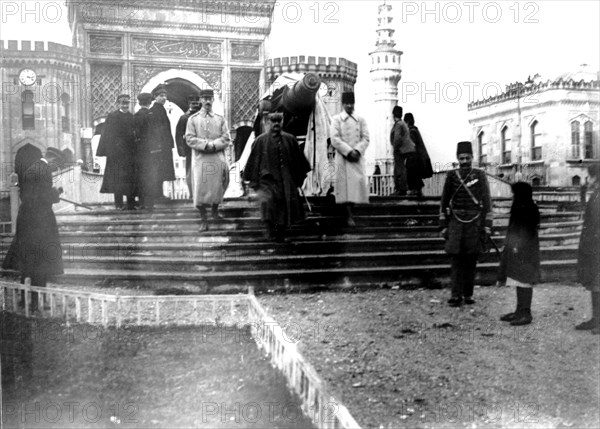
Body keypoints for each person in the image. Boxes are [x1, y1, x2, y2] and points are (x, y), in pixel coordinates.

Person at [3, 145, 64, 311]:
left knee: (28, 263)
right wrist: (56, 193)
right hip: (40, 222)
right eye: (56, 165)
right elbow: (43, 196)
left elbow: (28, 194)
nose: (55, 168)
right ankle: (38, 302)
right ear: (52, 159)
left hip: (27, 221)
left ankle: (24, 300)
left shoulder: (32, 168)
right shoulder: (43, 170)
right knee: (41, 262)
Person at [243, 112, 311, 241]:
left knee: (283, 203)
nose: (276, 124)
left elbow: (298, 161)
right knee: (267, 202)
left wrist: (297, 180)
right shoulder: (260, 140)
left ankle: (281, 231)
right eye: (273, 121)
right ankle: (268, 230)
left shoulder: (290, 139)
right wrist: (254, 182)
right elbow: (254, 161)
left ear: (282, 122)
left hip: (285, 179)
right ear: (268, 122)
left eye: (278, 121)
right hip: (267, 180)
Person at [440, 141, 492, 307]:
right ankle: (455, 295)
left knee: (471, 260)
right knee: (456, 259)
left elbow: (487, 203)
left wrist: (487, 225)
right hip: (455, 223)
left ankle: (468, 294)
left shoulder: (480, 175)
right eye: (461, 158)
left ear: (472, 157)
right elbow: (444, 202)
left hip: (474, 223)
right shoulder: (451, 176)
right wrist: (443, 225)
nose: (464, 161)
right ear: (457, 158)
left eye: (467, 158)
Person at [185, 89, 231, 231]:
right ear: (200, 100)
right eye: (204, 98)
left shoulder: (220, 119)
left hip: (216, 157)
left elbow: (226, 138)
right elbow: (189, 138)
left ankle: (215, 212)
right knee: (200, 188)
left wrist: (214, 144)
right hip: (200, 158)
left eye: (210, 98)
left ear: (213, 100)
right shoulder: (193, 119)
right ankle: (203, 219)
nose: (207, 101)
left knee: (218, 185)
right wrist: (205, 145)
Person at [497, 182, 540, 325]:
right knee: (517, 279)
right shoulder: (523, 205)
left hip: (524, 250)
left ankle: (526, 313)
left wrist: (516, 246)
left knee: (524, 280)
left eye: (515, 193)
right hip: (518, 248)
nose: (512, 195)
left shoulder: (526, 207)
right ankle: (518, 311)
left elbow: (525, 231)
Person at [330, 92, 370, 227]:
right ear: (342, 104)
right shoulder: (336, 119)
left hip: (356, 158)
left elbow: (366, 138)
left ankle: (353, 213)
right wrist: (348, 151)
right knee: (344, 189)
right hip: (343, 158)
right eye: (346, 103)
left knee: (356, 186)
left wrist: (357, 150)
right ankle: (348, 215)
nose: (349, 105)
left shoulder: (361, 120)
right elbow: (334, 139)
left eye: (351, 103)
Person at [96, 94, 137, 210]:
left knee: (130, 179)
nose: (125, 105)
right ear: (118, 103)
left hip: (129, 155)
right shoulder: (112, 117)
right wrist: (109, 150)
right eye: (123, 103)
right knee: (117, 179)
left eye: (127, 103)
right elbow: (107, 135)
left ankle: (130, 204)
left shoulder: (131, 117)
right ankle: (118, 204)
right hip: (116, 155)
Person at [141, 85, 176, 210]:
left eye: (165, 96)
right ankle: (157, 194)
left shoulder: (161, 109)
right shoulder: (155, 110)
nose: (164, 98)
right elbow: (153, 131)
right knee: (158, 171)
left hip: (163, 146)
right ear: (155, 97)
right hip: (158, 147)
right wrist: (157, 146)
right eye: (161, 96)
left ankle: (159, 194)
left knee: (161, 171)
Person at [575, 163, 600, 335]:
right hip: (593, 245)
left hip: (598, 246)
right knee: (594, 284)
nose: (587, 180)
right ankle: (595, 319)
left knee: (598, 283)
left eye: (589, 176)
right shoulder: (596, 194)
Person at [175, 93, 201, 197]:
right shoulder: (184, 118)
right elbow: (179, 135)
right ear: (189, 104)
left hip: (201, 148)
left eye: (196, 103)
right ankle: (192, 193)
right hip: (189, 149)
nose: (195, 105)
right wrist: (181, 150)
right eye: (192, 103)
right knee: (190, 170)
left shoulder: (202, 116)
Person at [390, 106, 419, 196]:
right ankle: (401, 188)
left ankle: (401, 189)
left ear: (393, 114)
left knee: (399, 169)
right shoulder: (402, 123)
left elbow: (397, 138)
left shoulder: (398, 124)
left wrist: (395, 148)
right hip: (407, 149)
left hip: (401, 150)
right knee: (401, 169)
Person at [404, 112, 434, 196]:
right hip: (419, 160)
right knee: (416, 180)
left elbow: (412, 147)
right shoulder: (415, 130)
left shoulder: (411, 132)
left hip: (415, 161)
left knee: (413, 177)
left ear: (407, 122)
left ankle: (415, 191)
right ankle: (417, 191)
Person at [133, 92, 153, 208]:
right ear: (150, 102)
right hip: (151, 151)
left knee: (140, 176)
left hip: (139, 151)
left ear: (140, 102)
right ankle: (150, 202)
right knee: (150, 176)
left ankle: (142, 202)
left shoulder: (136, 116)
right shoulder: (152, 115)